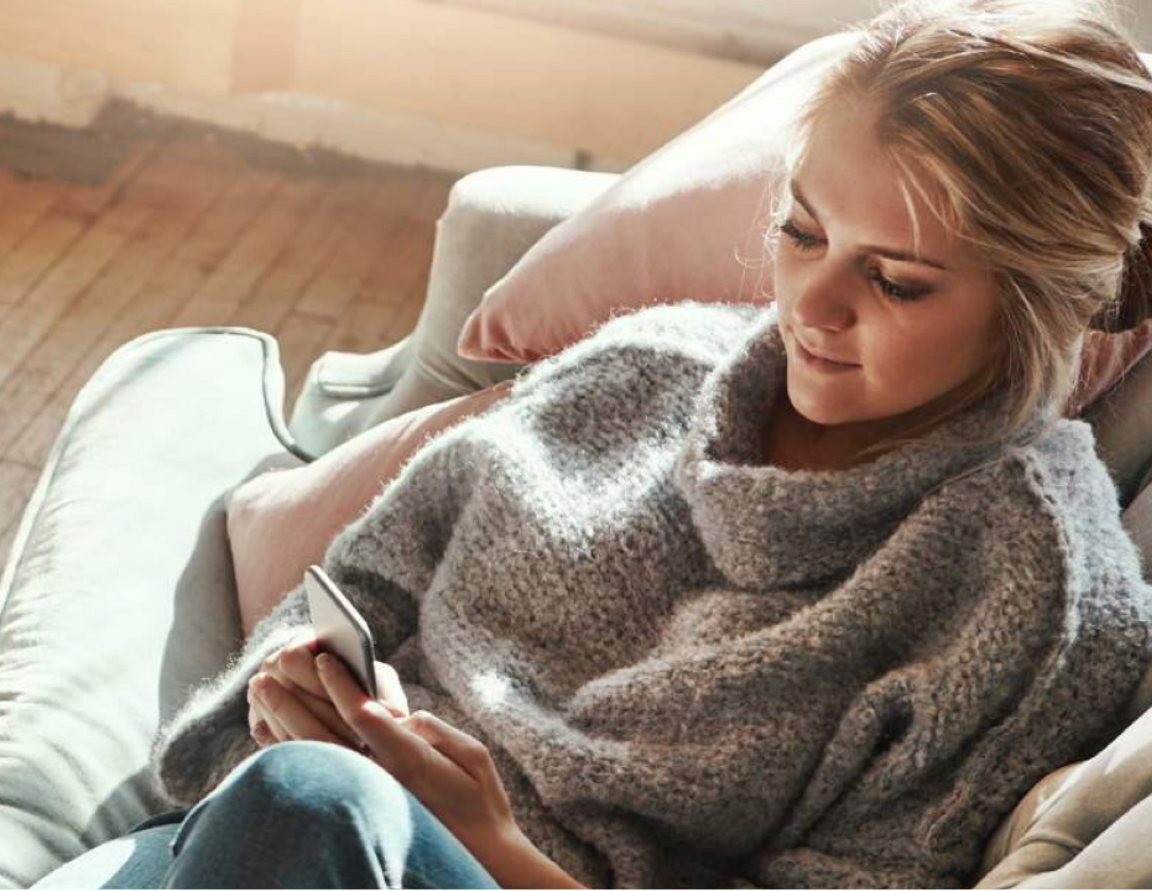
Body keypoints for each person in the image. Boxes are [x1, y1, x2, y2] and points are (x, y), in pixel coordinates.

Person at [33, 0, 1152, 887]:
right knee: (293, 805)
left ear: (1040, 303)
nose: (812, 305)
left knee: (311, 805)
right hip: (257, 848)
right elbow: (335, 613)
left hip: (392, 848)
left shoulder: (1040, 598)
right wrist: (289, 697)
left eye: (895, 280)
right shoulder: (635, 370)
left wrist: (489, 844)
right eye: (802, 232)